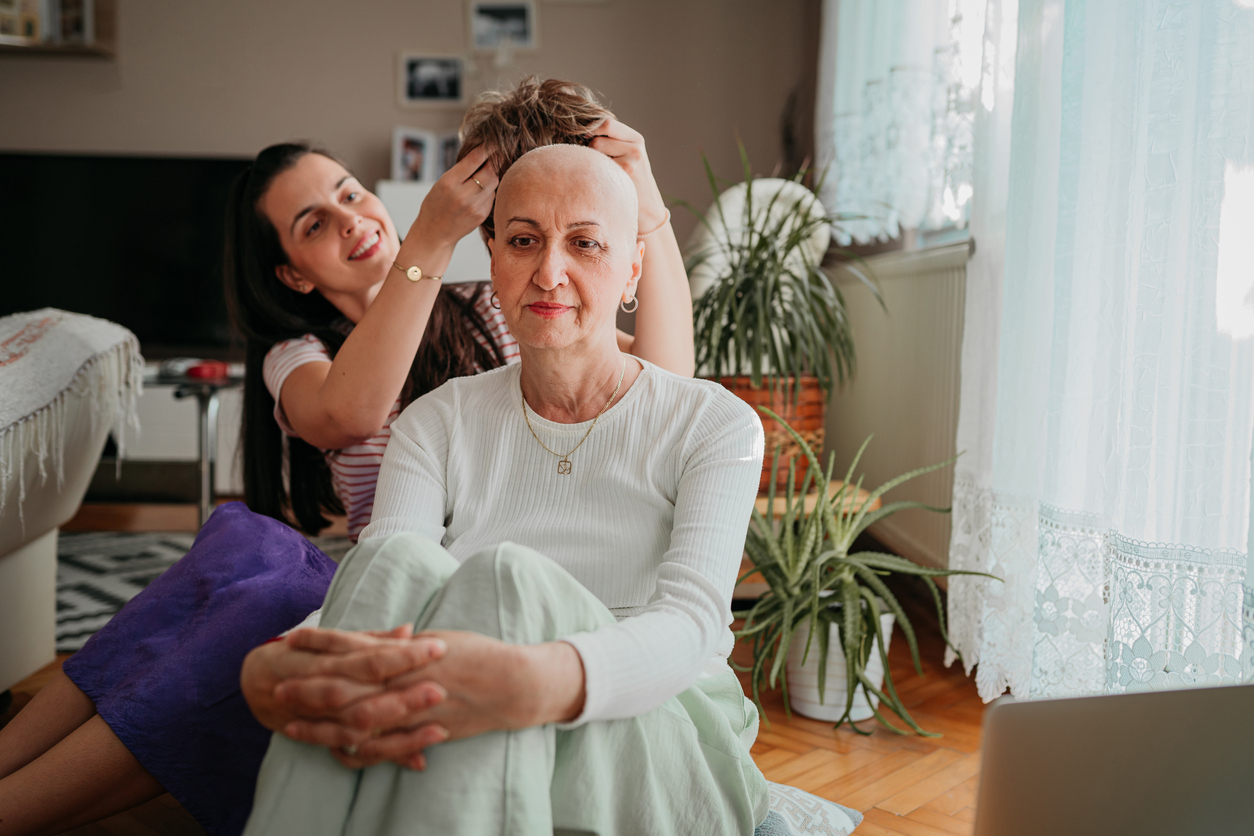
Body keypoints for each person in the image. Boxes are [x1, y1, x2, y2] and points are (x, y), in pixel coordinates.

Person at [0, 78, 694, 836]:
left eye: (350, 193)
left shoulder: (496, 305)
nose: (350, 220)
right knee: (245, 542)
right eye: (314, 224)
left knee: (259, 591)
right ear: (295, 275)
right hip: (378, 583)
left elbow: (663, 385)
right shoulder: (295, 355)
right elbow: (352, 411)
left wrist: (645, 207)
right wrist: (428, 238)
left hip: (476, 588)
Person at [240, 142, 768, 835]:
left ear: (632, 269)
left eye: (585, 243)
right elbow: (382, 581)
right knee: (397, 563)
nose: (550, 272)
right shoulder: (435, 420)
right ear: (492, 262)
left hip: (658, 716)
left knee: (506, 580)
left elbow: (694, 627)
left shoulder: (716, 424)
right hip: (456, 686)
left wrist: (528, 682)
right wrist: (277, 669)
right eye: (523, 240)